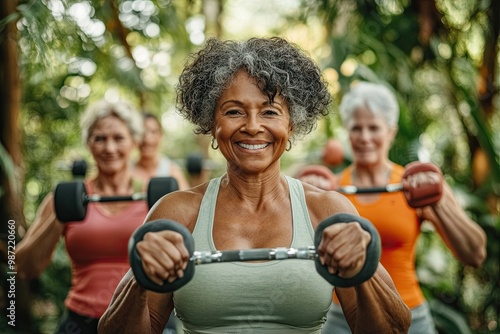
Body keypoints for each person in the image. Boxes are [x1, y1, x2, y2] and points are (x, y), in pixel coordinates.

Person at [97, 37, 412, 334]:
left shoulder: (328, 211)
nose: (252, 126)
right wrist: (140, 280)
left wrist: (364, 270)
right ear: (212, 124)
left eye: (270, 112)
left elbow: (395, 329)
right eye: (234, 111)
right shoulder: (176, 213)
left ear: (291, 124)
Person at [319, 81, 487, 333]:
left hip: (409, 315)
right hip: (343, 318)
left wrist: (438, 202)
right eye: (356, 128)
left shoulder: (416, 185)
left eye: (374, 128)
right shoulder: (331, 190)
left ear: (391, 132)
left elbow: (475, 255)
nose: (364, 138)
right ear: (347, 132)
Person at [16, 99, 148, 334]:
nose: (109, 148)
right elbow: (23, 267)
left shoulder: (153, 197)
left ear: (134, 142)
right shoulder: (64, 197)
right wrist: (61, 213)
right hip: (81, 321)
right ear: (88, 143)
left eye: (118, 138)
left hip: (142, 321)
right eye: (99, 138)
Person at [133, 112, 190, 191]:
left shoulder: (172, 171)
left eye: (153, 132)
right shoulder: (127, 171)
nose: (147, 138)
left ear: (161, 136)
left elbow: (186, 199)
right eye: (143, 132)